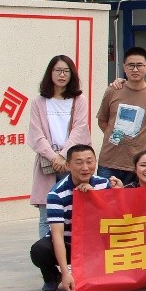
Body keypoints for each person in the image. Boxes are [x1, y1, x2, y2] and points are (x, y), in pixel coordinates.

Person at [29, 144, 114, 291]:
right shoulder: (56, 194)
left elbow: (111, 218)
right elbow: (57, 236)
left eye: (89, 161)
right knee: (39, 250)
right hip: (70, 244)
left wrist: (94, 197)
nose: (85, 167)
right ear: (68, 165)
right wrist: (66, 273)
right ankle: (53, 277)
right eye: (79, 162)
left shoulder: (103, 184)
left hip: (95, 244)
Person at [28, 55, 91, 239]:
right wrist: (54, 157)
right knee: (46, 215)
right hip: (48, 164)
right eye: (58, 70)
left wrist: (64, 156)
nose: (62, 75)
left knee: (75, 210)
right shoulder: (39, 101)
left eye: (66, 71)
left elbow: (80, 130)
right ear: (50, 73)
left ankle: (71, 254)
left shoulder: (79, 100)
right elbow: (36, 134)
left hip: (73, 163)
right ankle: (46, 255)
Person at [96, 47, 146, 186]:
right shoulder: (113, 90)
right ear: (124, 67)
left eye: (139, 65)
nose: (135, 69)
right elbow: (102, 120)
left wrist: (142, 141)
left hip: (138, 164)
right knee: (106, 198)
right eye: (131, 65)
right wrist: (115, 136)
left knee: (135, 199)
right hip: (109, 161)